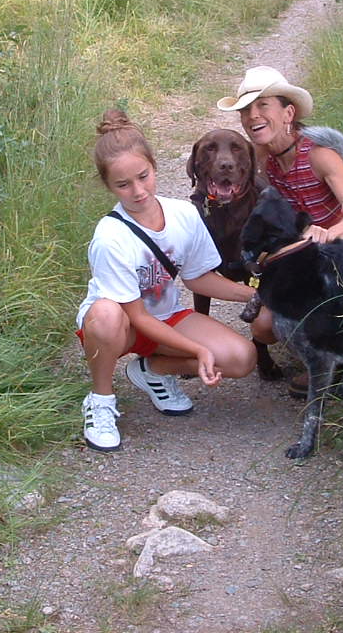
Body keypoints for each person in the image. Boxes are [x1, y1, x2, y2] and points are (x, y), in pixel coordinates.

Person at [77, 109, 257, 452]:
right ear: (108, 186)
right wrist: (197, 350)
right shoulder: (110, 237)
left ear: (154, 167)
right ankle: (100, 401)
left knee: (242, 358)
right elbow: (138, 317)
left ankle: (152, 370)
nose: (138, 191)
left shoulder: (184, 214)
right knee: (105, 314)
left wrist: (256, 294)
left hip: (165, 317)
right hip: (122, 327)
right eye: (123, 185)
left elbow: (198, 278)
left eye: (143, 177)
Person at [216, 66, 343, 391]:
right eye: (246, 110)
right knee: (263, 327)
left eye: (263, 105)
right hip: (305, 260)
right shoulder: (265, 158)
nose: (252, 116)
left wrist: (327, 233)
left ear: (288, 113)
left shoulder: (319, 154)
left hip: (342, 257)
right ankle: (324, 351)